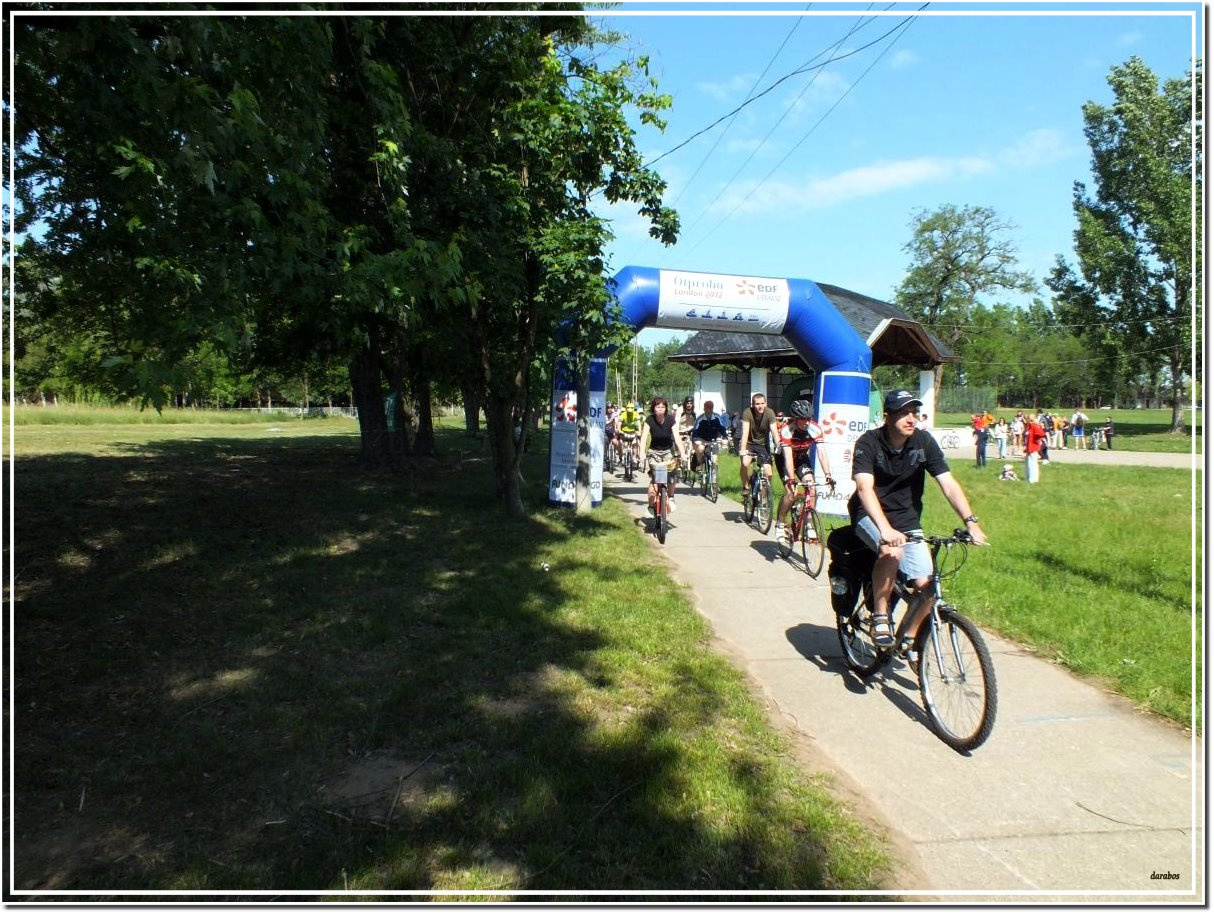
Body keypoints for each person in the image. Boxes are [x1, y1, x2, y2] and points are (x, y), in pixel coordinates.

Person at [849, 389, 989, 648]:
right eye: (903, 413)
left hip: (907, 520)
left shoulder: (923, 442)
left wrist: (971, 521)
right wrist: (886, 530)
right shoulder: (868, 442)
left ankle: (908, 637)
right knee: (891, 553)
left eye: (913, 412)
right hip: (869, 515)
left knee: (928, 587)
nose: (910, 418)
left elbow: (947, 483)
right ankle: (880, 615)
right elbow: (864, 490)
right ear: (887, 416)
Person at [774, 399, 835, 545]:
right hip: (784, 459)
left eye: (809, 418)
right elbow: (788, 457)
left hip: (801, 458)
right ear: (795, 418)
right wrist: (791, 479)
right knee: (790, 492)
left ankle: (808, 524)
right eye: (803, 419)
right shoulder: (786, 430)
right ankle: (780, 523)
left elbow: (822, 453)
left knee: (812, 486)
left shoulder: (815, 429)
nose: (807, 422)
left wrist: (828, 475)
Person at [640, 396, 688, 512]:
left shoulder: (670, 420)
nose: (660, 409)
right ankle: (651, 506)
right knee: (654, 479)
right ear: (653, 408)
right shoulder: (649, 420)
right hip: (654, 452)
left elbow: (677, 438)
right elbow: (644, 437)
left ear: (666, 408)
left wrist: (683, 453)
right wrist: (642, 453)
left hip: (668, 451)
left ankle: (670, 497)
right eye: (658, 406)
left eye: (663, 407)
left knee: (671, 475)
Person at [738, 392, 779, 510]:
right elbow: (745, 433)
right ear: (753, 404)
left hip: (763, 446)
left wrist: (778, 445)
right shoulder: (747, 413)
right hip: (749, 444)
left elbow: (774, 431)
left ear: (766, 403)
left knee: (769, 473)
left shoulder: (770, 413)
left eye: (762, 403)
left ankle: (764, 496)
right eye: (757, 404)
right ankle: (746, 487)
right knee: (745, 464)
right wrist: (742, 450)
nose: (760, 406)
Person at [691, 400, 728, 475]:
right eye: (707, 408)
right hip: (701, 439)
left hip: (713, 440)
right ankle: (700, 464)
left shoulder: (717, 417)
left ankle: (714, 483)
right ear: (704, 409)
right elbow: (695, 433)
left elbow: (722, 429)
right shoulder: (700, 419)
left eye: (711, 408)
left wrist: (725, 438)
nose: (709, 410)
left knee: (715, 461)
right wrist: (698, 441)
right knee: (701, 449)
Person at [617, 400, 643, 466]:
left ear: (633, 409)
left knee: (635, 444)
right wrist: (619, 430)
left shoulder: (636, 414)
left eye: (631, 409)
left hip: (633, 432)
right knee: (621, 443)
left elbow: (639, 424)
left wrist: (639, 431)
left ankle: (634, 457)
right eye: (628, 409)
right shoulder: (623, 414)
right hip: (624, 432)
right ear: (626, 409)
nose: (630, 411)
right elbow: (619, 423)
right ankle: (622, 457)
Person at [1024, 416, 1047, 483]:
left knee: (1032, 464)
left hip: (1033, 448)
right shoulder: (1028, 427)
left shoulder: (1034, 426)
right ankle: (1028, 478)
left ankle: (1032, 479)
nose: (1026, 420)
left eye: (1027, 419)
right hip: (1028, 448)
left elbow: (1041, 434)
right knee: (1028, 464)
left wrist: (1036, 439)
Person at [677, 396, 697, 469]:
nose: (689, 405)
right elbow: (676, 422)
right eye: (687, 403)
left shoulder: (694, 411)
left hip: (691, 432)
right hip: (681, 431)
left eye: (691, 403)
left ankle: (694, 466)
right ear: (685, 403)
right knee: (680, 447)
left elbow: (697, 422)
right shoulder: (680, 410)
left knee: (696, 448)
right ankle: (679, 464)